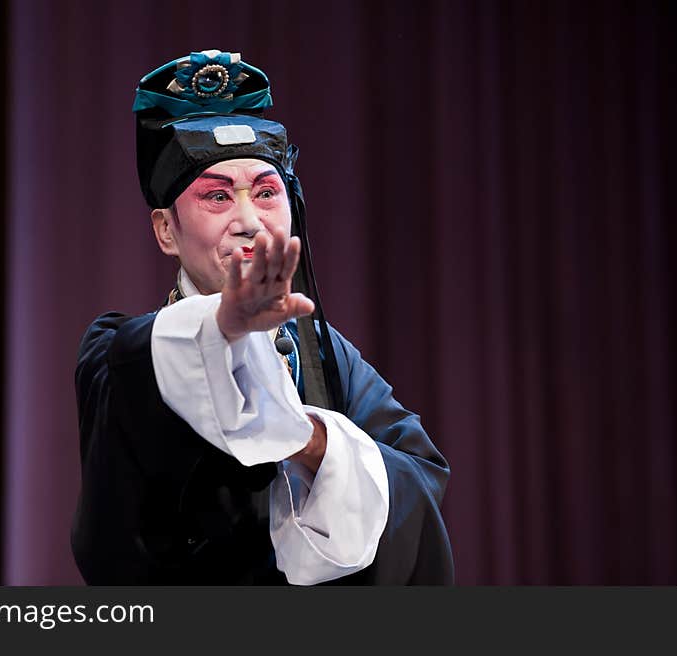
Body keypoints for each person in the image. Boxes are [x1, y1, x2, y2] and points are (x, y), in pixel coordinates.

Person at [71, 50, 454, 585]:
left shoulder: (321, 353)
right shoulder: (117, 357)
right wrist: (225, 330)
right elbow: (117, 527)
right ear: (165, 231)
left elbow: (419, 476)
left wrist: (310, 440)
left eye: (267, 192)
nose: (249, 222)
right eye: (217, 196)